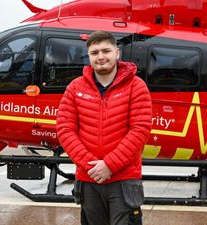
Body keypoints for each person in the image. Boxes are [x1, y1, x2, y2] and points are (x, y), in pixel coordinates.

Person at [56, 31, 152, 225]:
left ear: (117, 53)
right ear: (89, 56)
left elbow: (140, 130)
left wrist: (109, 165)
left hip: (124, 179)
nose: (101, 56)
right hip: (89, 178)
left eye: (106, 51)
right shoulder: (75, 88)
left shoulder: (136, 86)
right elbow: (65, 129)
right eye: (95, 52)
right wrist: (91, 165)